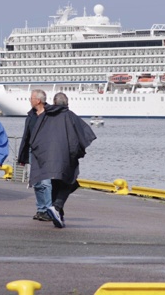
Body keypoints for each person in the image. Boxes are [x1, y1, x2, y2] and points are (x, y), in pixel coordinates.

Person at [29, 92, 96, 228]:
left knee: (55, 184)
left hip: (47, 158)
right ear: (67, 103)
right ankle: (57, 207)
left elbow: (34, 135)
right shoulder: (70, 117)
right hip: (65, 158)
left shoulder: (45, 117)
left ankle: (58, 215)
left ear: (54, 102)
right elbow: (81, 137)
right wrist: (76, 154)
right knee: (70, 182)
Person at [17, 89, 52, 222]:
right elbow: (26, 136)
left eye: (31, 98)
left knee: (46, 182)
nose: (29, 100)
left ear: (38, 100)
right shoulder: (31, 115)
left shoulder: (50, 115)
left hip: (47, 152)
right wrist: (22, 157)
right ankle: (41, 209)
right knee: (36, 182)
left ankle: (49, 210)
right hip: (33, 152)